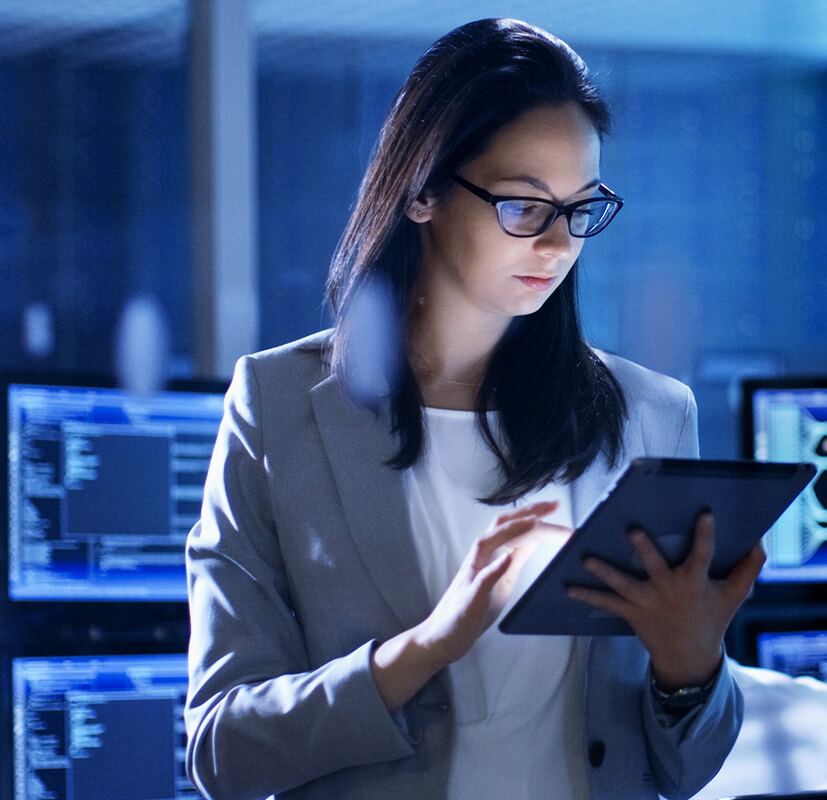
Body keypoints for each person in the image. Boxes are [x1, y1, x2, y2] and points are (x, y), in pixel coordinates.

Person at [184, 17, 765, 800]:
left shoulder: (650, 414)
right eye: (525, 207)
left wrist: (691, 665)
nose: (559, 246)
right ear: (422, 191)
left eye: (581, 209)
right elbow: (222, 751)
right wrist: (424, 647)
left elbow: (684, 772)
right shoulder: (281, 407)